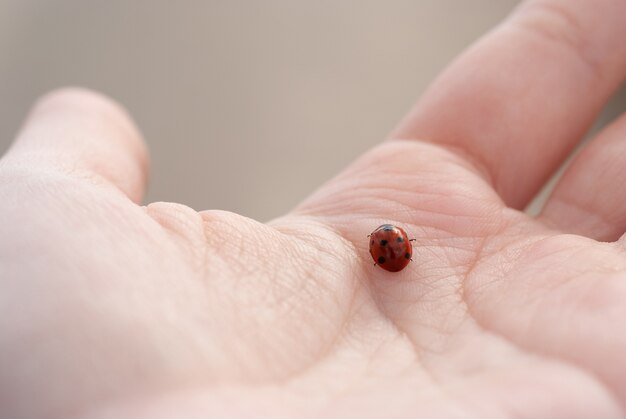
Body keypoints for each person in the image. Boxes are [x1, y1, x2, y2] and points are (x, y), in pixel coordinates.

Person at [1, 1, 626, 418]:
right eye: (391, 247)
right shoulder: (385, 244)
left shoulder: (385, 244)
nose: (389, 247)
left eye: (389, 247)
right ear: (392, 246)